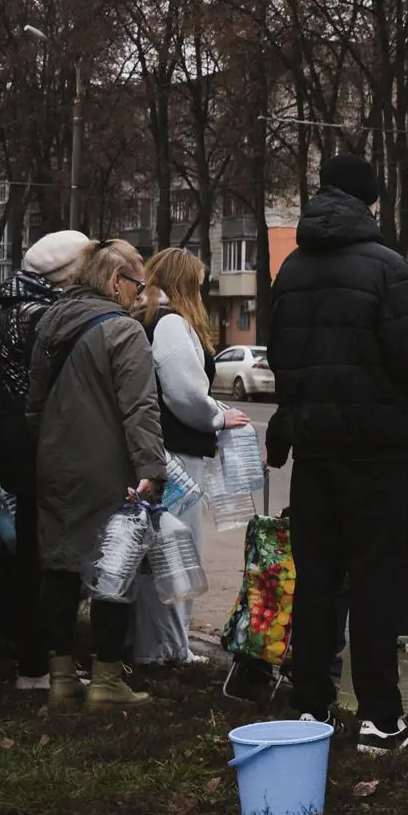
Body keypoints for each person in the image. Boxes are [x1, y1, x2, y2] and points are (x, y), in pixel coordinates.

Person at [267, 152, 408, 753]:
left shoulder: (290, 270)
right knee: (375, 585)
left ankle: (310, 710)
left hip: (313, 453)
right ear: (370, 202)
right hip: (374, 453)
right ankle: (379, 720)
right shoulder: (386, 267)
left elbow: (280, 358)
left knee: (317, 583)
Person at [27, 238, 164, 709]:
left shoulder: (50, 322)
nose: (139, 294)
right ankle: (106, 679)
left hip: (55, 462)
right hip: (108, 469)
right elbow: (140, 407)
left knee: (60, 566)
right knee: (115, 567)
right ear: (114, 281)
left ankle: (61, 675)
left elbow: (34, 402)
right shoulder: (124, 332)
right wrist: (151, 467)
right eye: (136, 284)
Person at [127, 248, 251, 666]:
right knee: (175, 556)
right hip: (176, 457)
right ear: (185, 284)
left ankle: (150, 646)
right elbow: (186, 395)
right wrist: (219, 415)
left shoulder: (143, 321)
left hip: (153, 449)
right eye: (197, 281)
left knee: (154, 553)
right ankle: (165, 651)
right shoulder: (172, 325)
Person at [0, 231, 87, 689]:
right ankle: (37, 663)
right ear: (67, 274)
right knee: (42, 556)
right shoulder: (43, 315)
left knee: (28, 550)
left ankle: (33, 656)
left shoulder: (12, 308)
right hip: (38, 445)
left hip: (16, 442)